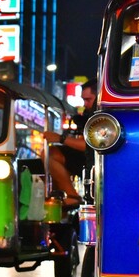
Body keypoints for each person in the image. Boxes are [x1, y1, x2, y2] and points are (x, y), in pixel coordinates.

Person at [42, 78, 97, 208]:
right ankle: (64, 194)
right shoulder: (88, 115)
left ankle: (72, 196)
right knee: (50, 154)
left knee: (50, 154)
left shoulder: (101, 115)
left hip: (95, 161)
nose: (85, 104)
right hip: (87, 160)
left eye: (88, 100)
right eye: (83, 100)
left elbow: (89, 144)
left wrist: (60, 139)